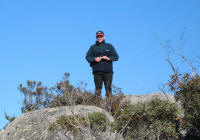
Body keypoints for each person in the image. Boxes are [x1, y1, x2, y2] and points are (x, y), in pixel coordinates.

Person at [86, 31, 119, 101]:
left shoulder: (109, 46)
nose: (100, 38)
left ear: (104, 37)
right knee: (98, 89)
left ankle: (110, 104)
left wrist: (109, 58)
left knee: (108, 88)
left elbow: (116, 57)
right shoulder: (93, 47)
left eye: (101, 36)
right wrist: (94, 59)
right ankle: (98, 105)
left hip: (108, 71)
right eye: (98, 36)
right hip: (97, 72)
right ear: (96, 37)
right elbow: (87, 57)